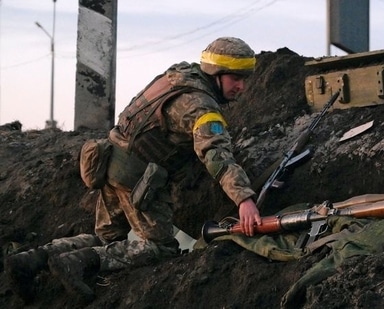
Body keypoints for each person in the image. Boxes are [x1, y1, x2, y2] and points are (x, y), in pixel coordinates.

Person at [4, 37, 262, 304]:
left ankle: (29, 260)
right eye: (235, 78)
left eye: (244, 79)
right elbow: (216, 154)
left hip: (108, 160)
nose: (241, 86)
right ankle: (76, 262)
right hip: (137, 179)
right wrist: (243, 199)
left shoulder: (177, 76)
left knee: (107, 238)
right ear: (215, 74)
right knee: (161, 247)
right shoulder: (201, 107)